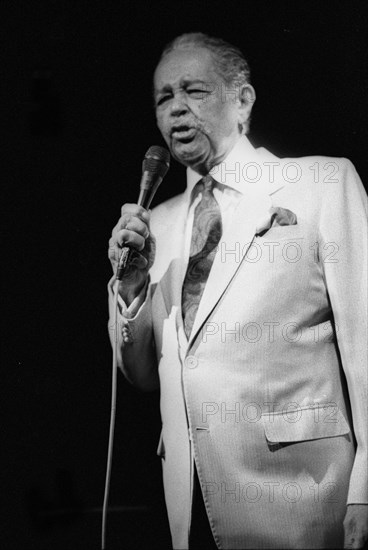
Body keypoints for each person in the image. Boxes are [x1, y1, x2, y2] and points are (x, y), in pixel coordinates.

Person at [108, 33, 368, 549]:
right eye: (164, 97)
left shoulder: (320, 184)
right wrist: (132, 291)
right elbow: (140, 377)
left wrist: (366, 490)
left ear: (243, 101)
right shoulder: (154, 224)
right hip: (191, 504)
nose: (176, 108)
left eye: (195, 91)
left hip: (306, 498)